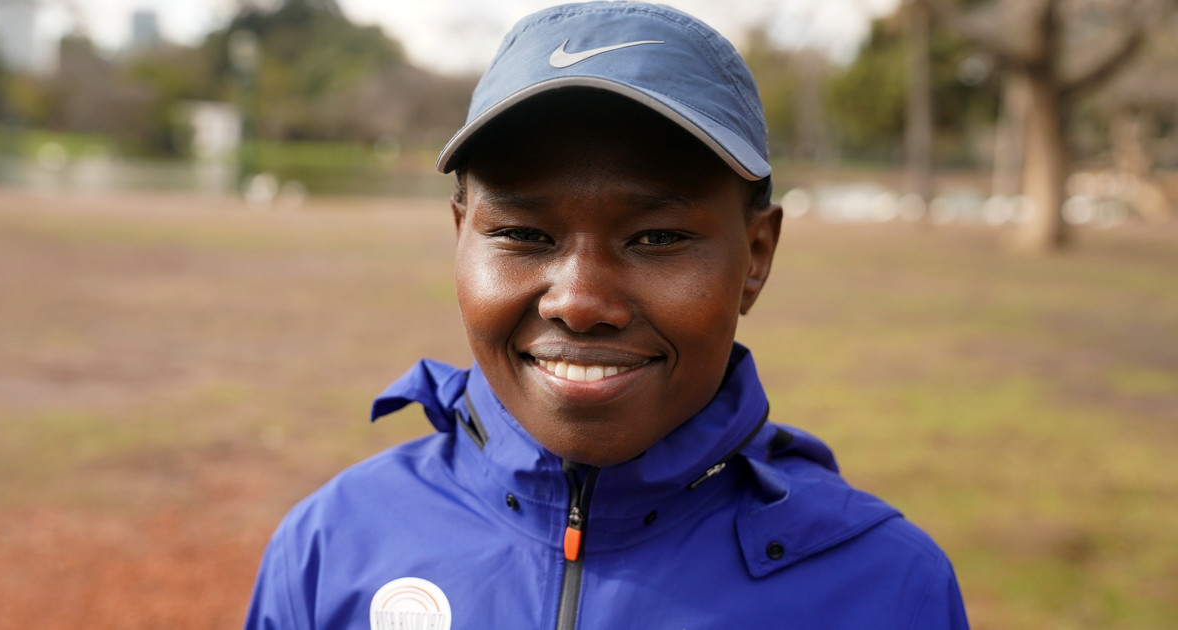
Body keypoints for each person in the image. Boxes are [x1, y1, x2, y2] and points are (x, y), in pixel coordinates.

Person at [244, 3, 969, 629]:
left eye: (657, 238)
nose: (580, 302)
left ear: (755, 256)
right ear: (461, 237)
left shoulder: (884, 587)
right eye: (523, 234)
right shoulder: (332, 548)